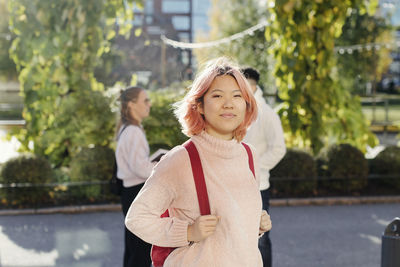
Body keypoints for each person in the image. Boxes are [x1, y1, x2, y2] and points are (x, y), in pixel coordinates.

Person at [125, 57, 272, 267]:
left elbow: (230, 223)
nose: (228, 103)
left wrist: (254, 223)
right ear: (200, 106)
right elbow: (137, 218)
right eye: (217, 95)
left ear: (246, 104)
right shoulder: (180, 159)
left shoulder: (249, 155)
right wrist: (187, 232)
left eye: (237, 96)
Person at [242, 67, 286, 267]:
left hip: (258, 186)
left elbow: (278, 149)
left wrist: (254, 168)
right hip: (234, 185)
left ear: (251, 86)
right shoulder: (238, 110)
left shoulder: (267, 114)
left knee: (261, 239)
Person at [115, 86, 154, 267]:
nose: (149, 104)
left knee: (133, 246)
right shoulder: (133, 131)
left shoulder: (127, 128)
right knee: (141, 249)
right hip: (136, 192)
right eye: (145, 100)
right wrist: (160, 166)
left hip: (129, 192)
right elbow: (140, 168)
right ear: (131, 104)